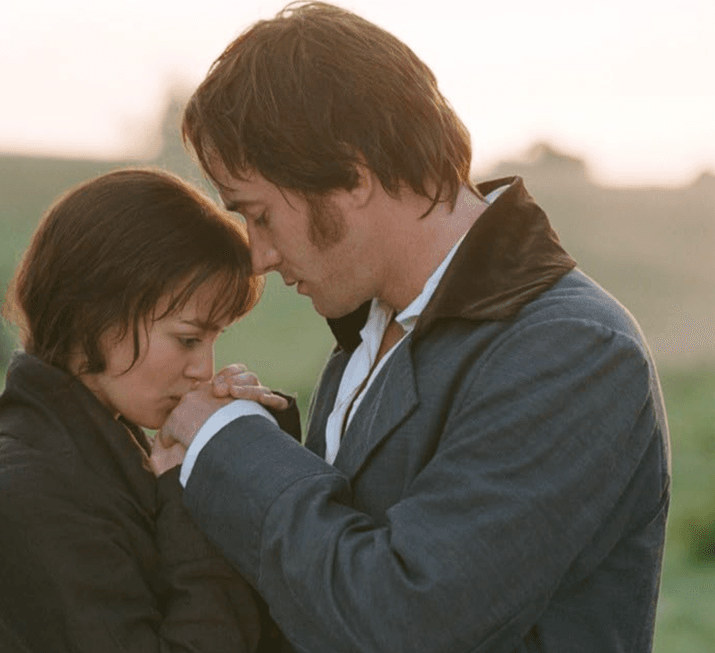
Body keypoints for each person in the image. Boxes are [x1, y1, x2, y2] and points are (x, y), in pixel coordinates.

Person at [157, 3, 671, 652]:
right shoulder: (371, 333)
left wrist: (228, 446)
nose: (258, 254)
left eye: (258, 214)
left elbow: (406, 620)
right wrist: (259, 437)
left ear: (351, 173)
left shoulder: (577, 351)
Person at [0, 168, 296, 652]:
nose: (204, 369)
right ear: (98, 315)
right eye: (188, 338)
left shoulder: (108, 450)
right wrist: (189, 496)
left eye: (216, 340)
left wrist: (243, 446)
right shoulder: (29, 494)